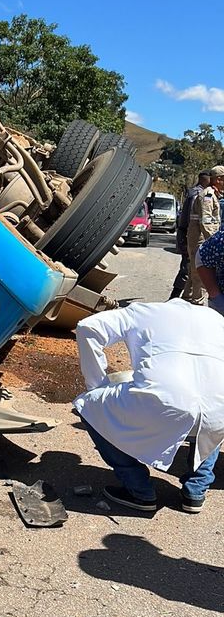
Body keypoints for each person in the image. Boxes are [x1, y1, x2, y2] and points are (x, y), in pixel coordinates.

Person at [74, 300, 224, 514]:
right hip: (218, 409)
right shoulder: (215, 318)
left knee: (88, 405)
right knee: (214, 407)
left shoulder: (141, 312)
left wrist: (97, 386)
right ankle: (196, 491)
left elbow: (88, 327)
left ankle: (139, 490)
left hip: (164, 404)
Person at [181, 165, 224, 303]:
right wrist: (214, 243)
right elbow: (205, 221)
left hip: (202, 237)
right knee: (201, 274)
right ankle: (197, 303)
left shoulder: (214, 194)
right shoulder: (207, 196)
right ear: (218, 179)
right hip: (201, 238)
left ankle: (186, 300)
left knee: (193, 272)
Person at [168, 171, 210, 298]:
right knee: (187, 269)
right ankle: (173, 298)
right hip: (189, 236)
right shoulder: (198, 195)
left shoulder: (195, 192)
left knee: (189, 269)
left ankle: (181, 297)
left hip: (187, 234)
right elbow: (194, 219)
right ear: (205, 180)